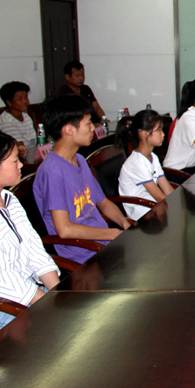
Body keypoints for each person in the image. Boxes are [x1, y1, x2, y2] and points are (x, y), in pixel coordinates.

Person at [33, 94, 130, 264]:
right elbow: (64, 229)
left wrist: (124, 223)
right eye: (88, 123)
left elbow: (103, 203)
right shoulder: (52, 171)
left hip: (103, 243)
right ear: (69, 130)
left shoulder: (79, 160)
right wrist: (112, 234)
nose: (93, 128)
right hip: (84, 255)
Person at [0, 130, 60, 337]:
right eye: (15, 161)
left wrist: (59, 294)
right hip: (3, 307)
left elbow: (33, 248)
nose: (21, 165)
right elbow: (2, 280)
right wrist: (48, 304)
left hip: (30, 293)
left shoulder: (9, 199)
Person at [115, 109, 173, 221]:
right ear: (144, 134)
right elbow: (159, 196)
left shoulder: (153, 157)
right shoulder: (136, 163)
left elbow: (167, 189)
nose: (163, 134)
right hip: (143, 213)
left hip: (153, 206)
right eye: (158, 130)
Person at [0, 81, 36, 163]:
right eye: (20, 98)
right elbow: (20, 149)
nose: (25, 101)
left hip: (31, 156)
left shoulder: (25, 116)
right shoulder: (7, 121)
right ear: (9, 102)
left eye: (25, 97)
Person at [58, 61, 106, 125]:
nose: (81, 78)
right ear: (67, 77)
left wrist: (104, 121)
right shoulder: (64, 93)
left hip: (96, 124)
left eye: (82, 75)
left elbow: (97, 108)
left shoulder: (86, 89)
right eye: (77, 76)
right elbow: (70, 119)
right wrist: (95, 125)